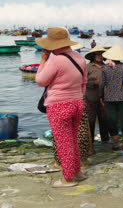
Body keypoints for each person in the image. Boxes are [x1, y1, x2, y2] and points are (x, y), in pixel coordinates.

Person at [35, 27, 88, 187]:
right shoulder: (80, 58)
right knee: (72, 139)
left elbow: (40, 81)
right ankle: (77, 172)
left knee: (63, 142)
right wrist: (78, 99)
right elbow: (84, 83)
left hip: (59, 105)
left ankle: (68, 178)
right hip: (77, 102)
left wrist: (43, 60)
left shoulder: (55, 60)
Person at [101, 45, 123, 151]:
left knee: (112, 120)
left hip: (109, 98)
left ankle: (115, 144)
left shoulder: (105, 68)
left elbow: (102, 84)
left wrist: (100, 96)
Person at [84, 46, 110, 145]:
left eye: (101, 54)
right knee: (91, 120)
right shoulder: (88, 67)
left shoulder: (107, 67)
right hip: (90, 97)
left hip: (104, 97)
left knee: (104, 119)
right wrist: (93, 83)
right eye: (97, 54)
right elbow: (82, 81)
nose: (99, 56)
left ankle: (105, 140)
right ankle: (90, 142)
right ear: (93, 56)